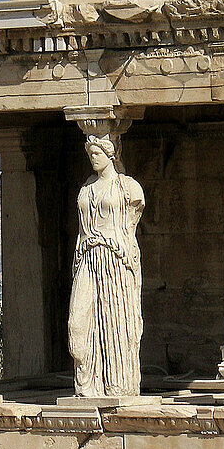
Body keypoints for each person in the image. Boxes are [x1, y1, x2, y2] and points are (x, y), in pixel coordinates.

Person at [68, 133, 145, 397]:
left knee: (116, 322)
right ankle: (87, 383)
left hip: (115, 259)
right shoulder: (86, 189)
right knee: (78, 326)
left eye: (97, 153)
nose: (93, 159)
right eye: (90, 155)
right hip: (88, 258)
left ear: (111, 154)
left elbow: (132, 219)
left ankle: (117, 384)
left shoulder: (128, 188)